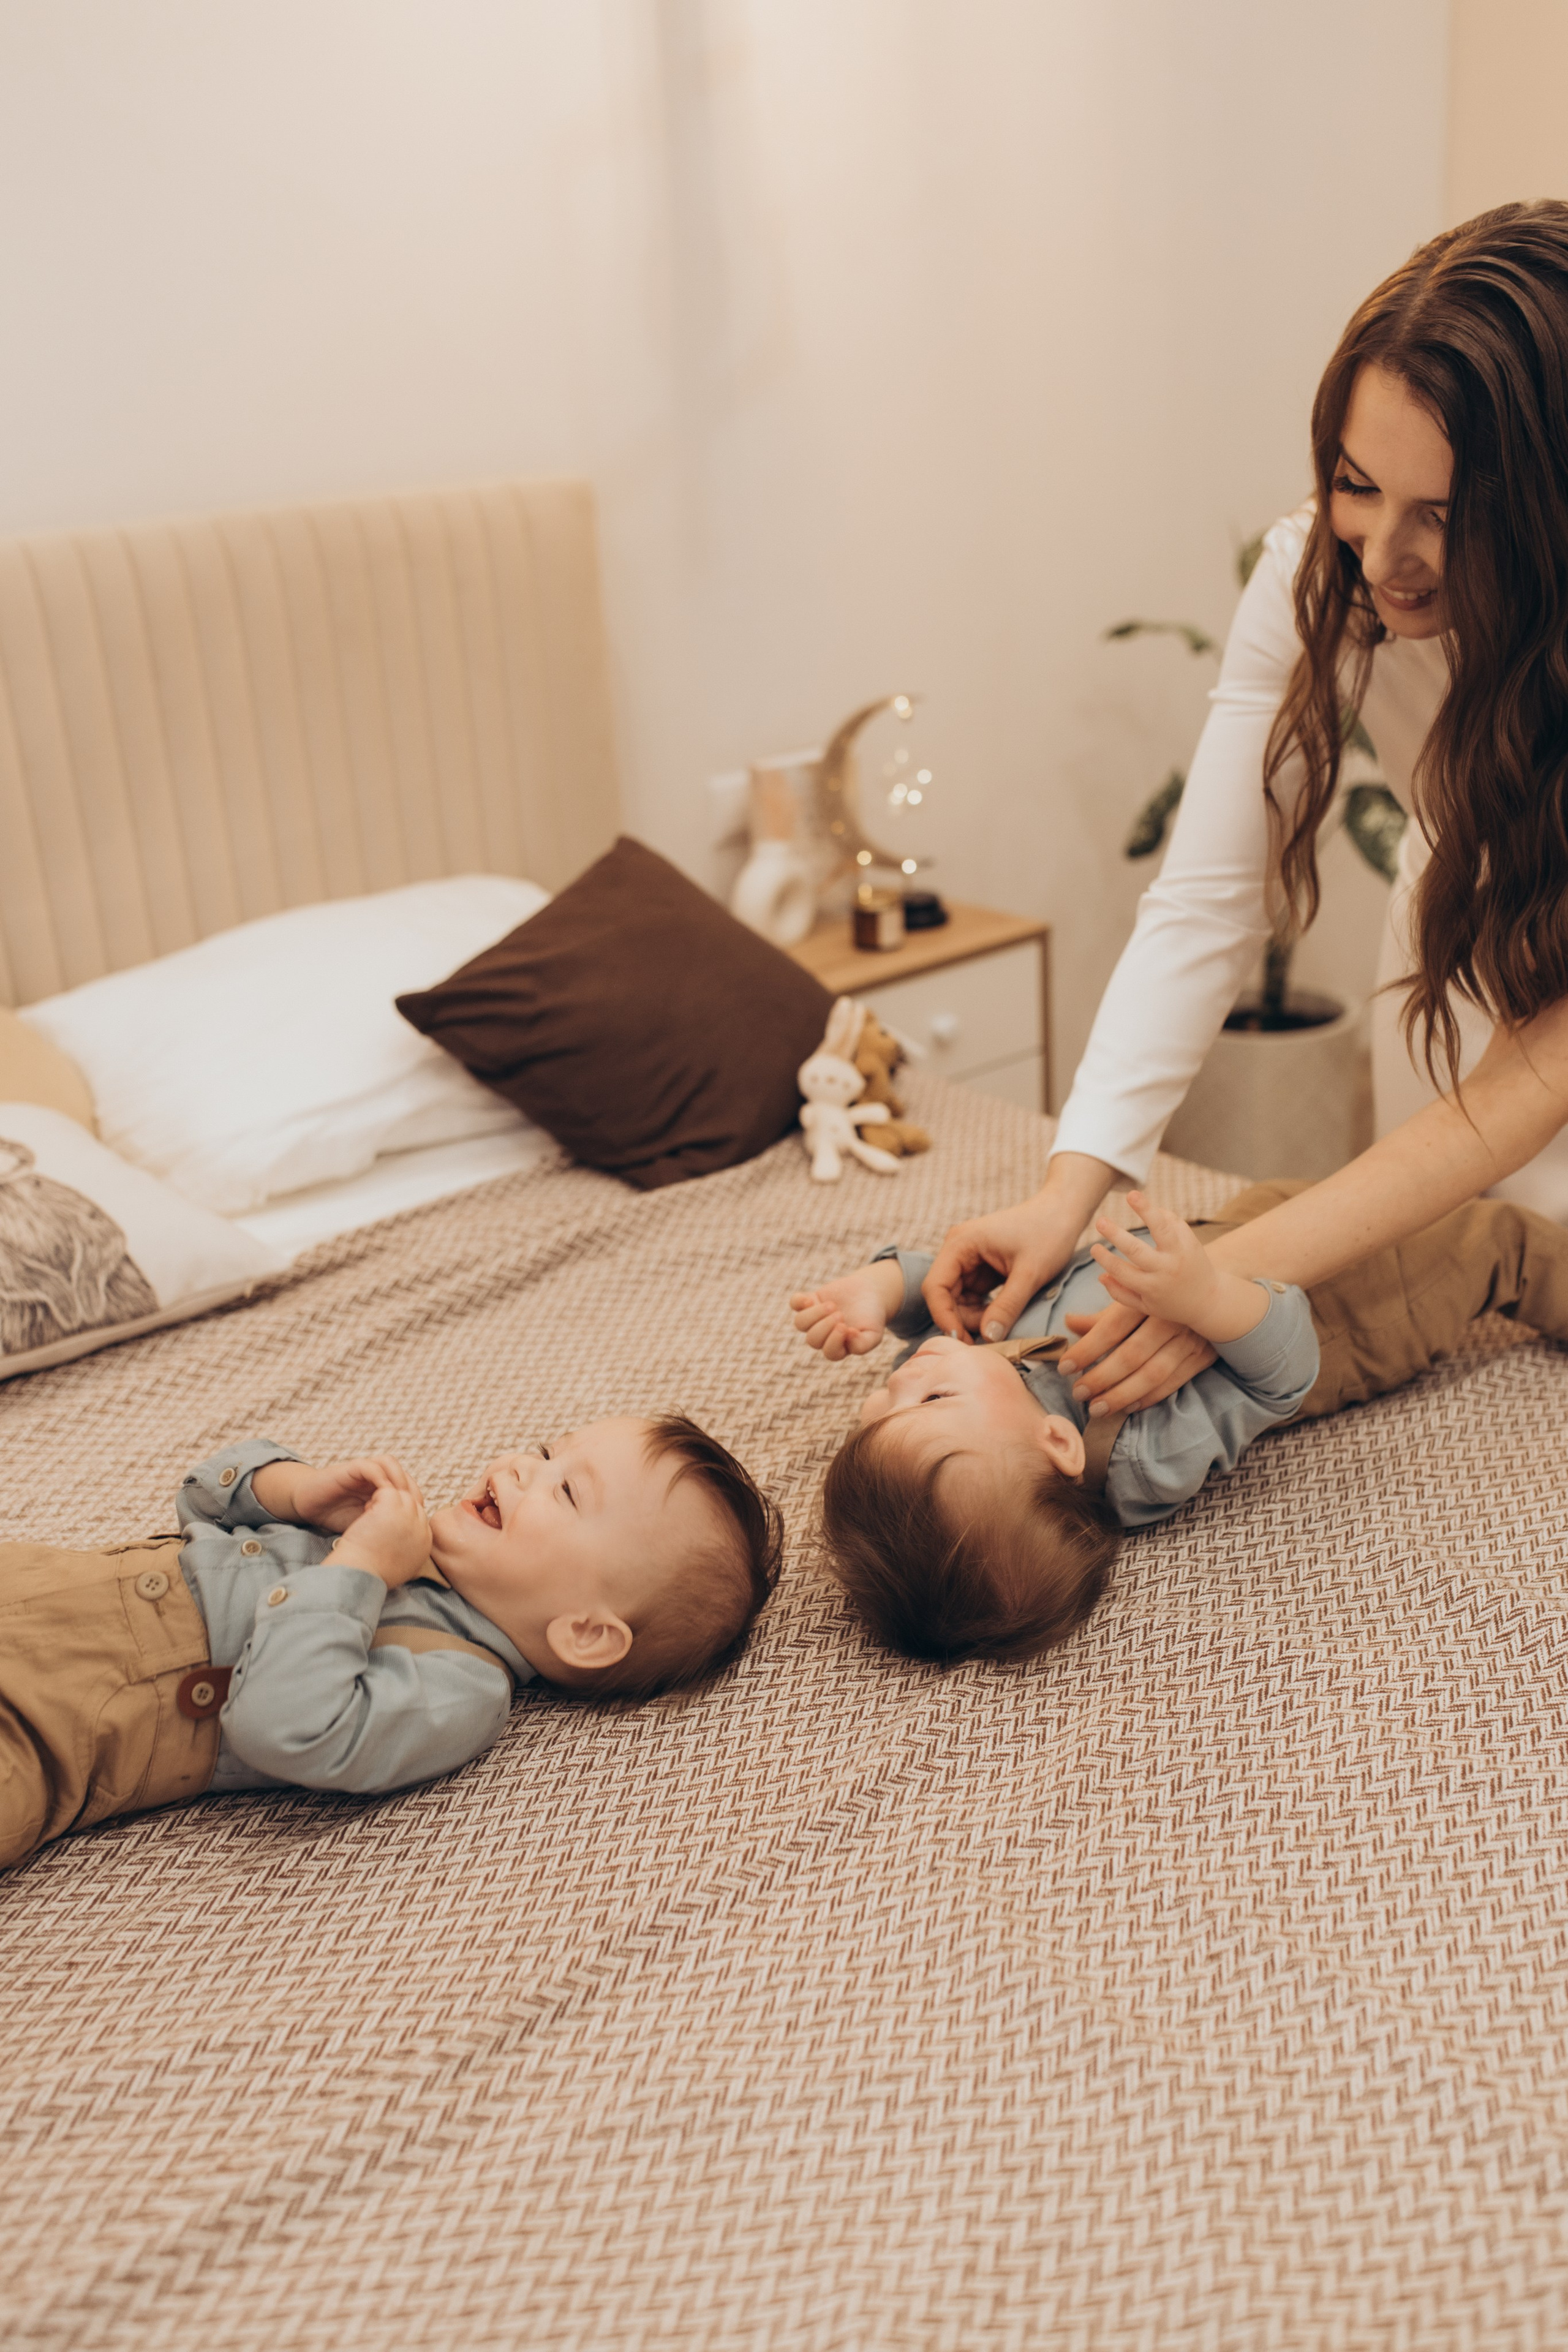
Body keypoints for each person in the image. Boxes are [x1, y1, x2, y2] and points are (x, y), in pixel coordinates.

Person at [923, 202, 1568, 1420]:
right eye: (1355, 486)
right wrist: (1068, 1190)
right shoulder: (1314, 576)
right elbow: (1206, 901)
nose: (1383, 556)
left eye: (1443, 511)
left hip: (1531, 1048)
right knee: (1450, 1344)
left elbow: (1520, 1093)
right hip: (1449, 956)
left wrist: (1231, 1277)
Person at [793, 1183, 1568, 1662]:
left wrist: (884, 1286)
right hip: (1339, 1309)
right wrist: (1206, 1298)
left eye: (873, 1415)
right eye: (925, 1403)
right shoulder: (1138, 1453)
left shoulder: (969, 1384)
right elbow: (1282, 1373)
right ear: (1057, 1444)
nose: (902, 1381)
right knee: (1499, 1241)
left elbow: (954, 1293)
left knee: (1379, 1189)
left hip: (1235, 1231)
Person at [0, 1418, 780, 1869]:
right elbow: (201, 1495)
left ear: (583, 1631)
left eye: (567, 1491)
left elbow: (281, 1723)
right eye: (547, 1451)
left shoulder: (463, 1687)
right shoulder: (385, 1530)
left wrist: (363, 1569)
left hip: (57, 1727)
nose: (521, 1466)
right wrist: (297, 1490)